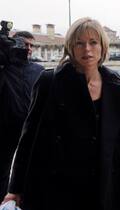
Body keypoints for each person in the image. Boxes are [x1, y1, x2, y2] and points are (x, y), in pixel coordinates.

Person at [1, 17, 120, 210]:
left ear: (102, 46)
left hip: (103, 184)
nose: (87, 49)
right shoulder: (50, 81)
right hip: (60, 186)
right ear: (71, 48)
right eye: (79, 43)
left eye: (93, 42)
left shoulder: (114, 84)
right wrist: (15, 188)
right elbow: (29, 136)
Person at [0, 31, 44, 200]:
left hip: (32, 130)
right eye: (25, 45)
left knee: (33, 169)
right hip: (6, 131)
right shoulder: (4, 69)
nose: (29, 49)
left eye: (32, 45)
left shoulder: (38, 70)